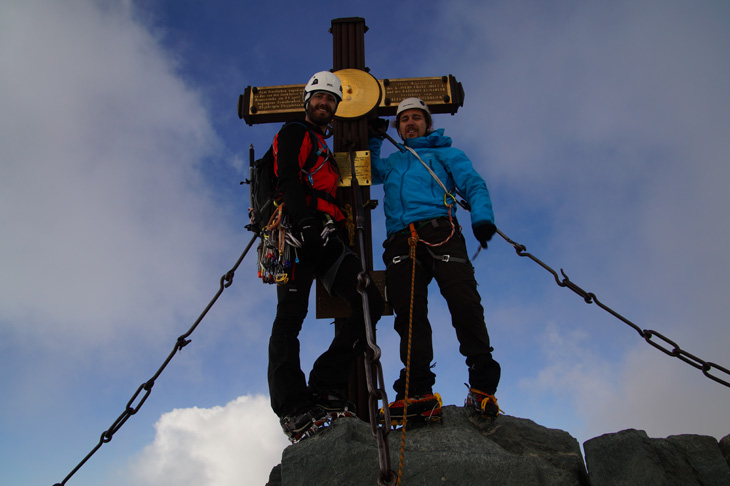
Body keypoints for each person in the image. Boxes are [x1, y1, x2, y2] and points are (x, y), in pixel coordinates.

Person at [267, 71, 384, 441]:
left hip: (330, 236)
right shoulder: (295, 132)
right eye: (319, 98)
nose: (324, 104)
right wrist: (302, 222)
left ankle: (326, 383)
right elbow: (287, 175)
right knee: (290, 317)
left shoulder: (324, 150)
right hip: (300, 234)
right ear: (307, 102)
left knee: (370, 304)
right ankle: (292, 404)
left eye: (330, 100)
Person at [368, 97, 501, 423]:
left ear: (428, 124)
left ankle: (482, 382)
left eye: (416, 118)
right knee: (409, 313)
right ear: (398, 128)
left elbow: (472, 183)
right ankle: (416, 388)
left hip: (441, 231)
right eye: (404, 120)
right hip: (402, 240)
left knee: (464, 300)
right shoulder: (395, 161)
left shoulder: (447, 154)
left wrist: (482, 217)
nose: (410, 123)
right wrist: (373, 137)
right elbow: (369, 171)